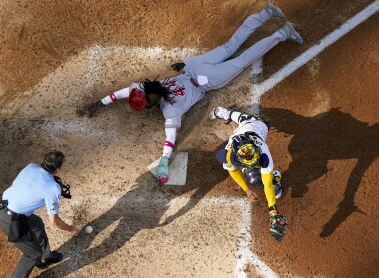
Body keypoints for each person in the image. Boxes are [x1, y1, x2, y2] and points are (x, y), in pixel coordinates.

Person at [86, 3, 303, 184]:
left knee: (242, 60)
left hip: (207, 80)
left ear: (149, 101)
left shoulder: (171, 110)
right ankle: (266, 12)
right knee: (230, 46)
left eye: (145, 106)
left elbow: (170, 139)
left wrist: (163, 163)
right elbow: (122, 93)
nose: (146, 109)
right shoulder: (149, 86)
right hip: (194, 65)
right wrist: (100, 103)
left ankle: (283, 32)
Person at [0, 151, 81, 278]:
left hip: (2, 206)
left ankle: (45, 256)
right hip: (12, 220)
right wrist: (71, 229)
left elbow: (13, 186)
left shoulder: (31, 166)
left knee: (37, 223)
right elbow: (54, 221)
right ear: (57, 169)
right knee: (33, 254)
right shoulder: (53, 188)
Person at [211, 106, 289, 242]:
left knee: (261, 182)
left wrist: (273, 211)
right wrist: (246, 190)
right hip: (243, 132)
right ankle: (225, 113)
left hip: (258, 127)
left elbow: (268, 185)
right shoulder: (230, 156)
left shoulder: (263, 155)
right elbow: (232, 170)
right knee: (243, 121)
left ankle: (276, 175)